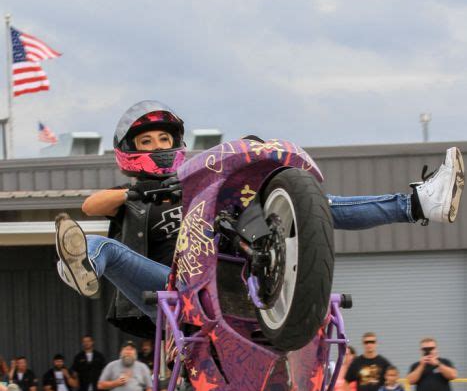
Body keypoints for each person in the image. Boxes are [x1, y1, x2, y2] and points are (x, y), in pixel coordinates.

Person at [53, 100, 465, 334]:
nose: (158, 145)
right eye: (147, 140)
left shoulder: (201, 184)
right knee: (96, 244)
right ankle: (82, 268)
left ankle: (416, 204)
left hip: (224, 280)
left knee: (309, 204)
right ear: (130, 148)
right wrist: (143, 190)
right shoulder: (135, 197)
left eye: (164, 138)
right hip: (167, 289)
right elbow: (92, 206)